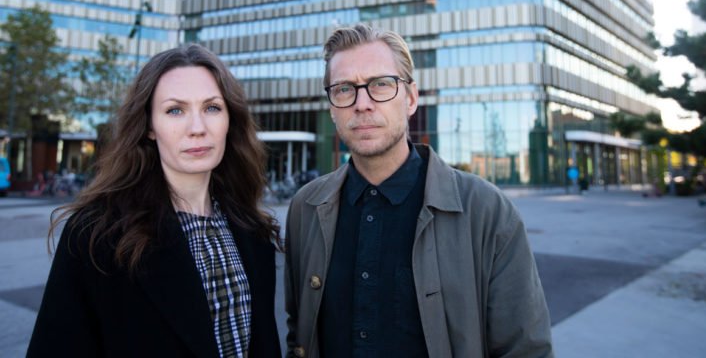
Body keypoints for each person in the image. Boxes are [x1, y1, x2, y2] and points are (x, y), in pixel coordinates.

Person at [285, 24, 553, 357]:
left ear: (411, 98)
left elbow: (525, 350)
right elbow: (299, 334)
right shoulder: (305, 209)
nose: (362, 103)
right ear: (332, 107)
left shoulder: (487, 211)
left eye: (381, 84)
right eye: (343, 89)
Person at [28, 45, 281, 357]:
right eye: (175, 110)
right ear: (149, 126)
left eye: (212, 108)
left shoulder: (252, 230)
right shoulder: (97, 235)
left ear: (230, 118)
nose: (198, 128)